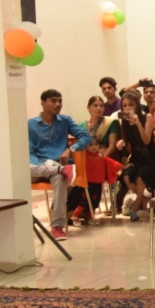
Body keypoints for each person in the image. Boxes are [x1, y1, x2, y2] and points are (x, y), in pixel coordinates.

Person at [29, 90, 92, 240]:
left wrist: (71, 149)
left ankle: (57, 226)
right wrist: (44, 168)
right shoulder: (30, 124)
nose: (58, 104)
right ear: (43, 103)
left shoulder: (65, 120)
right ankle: (60, 169)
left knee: (59, 177)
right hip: (37, 167)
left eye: (60, 101)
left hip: (57, 164)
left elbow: (86, 137)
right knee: (24, 170)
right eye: (53, 101)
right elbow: (30, 152)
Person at [67, 96, 123, 222]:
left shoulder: (110, 123)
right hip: (85, 158)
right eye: (95, 105)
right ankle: (72, 208)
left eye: (101, 105)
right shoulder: (82, 124)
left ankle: (87, 208)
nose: (99, 108)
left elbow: (112, 145)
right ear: (88, 108)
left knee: (88, 172)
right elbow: (79, 144)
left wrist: (100, 157)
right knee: (73, 171)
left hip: (103, 158)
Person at [116, 94, 155, 222]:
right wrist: (122, 142)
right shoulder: (124, 121)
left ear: (137, 105)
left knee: (140, 178)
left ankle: (135, 209)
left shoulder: (147, 117)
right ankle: (144, 201)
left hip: (150, 157)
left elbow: (146, 141)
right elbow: (128, 142)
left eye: (131, 105)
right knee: (126, 177)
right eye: (124, 106)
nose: (128, 108)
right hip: (136, 157)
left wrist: (138, 123)